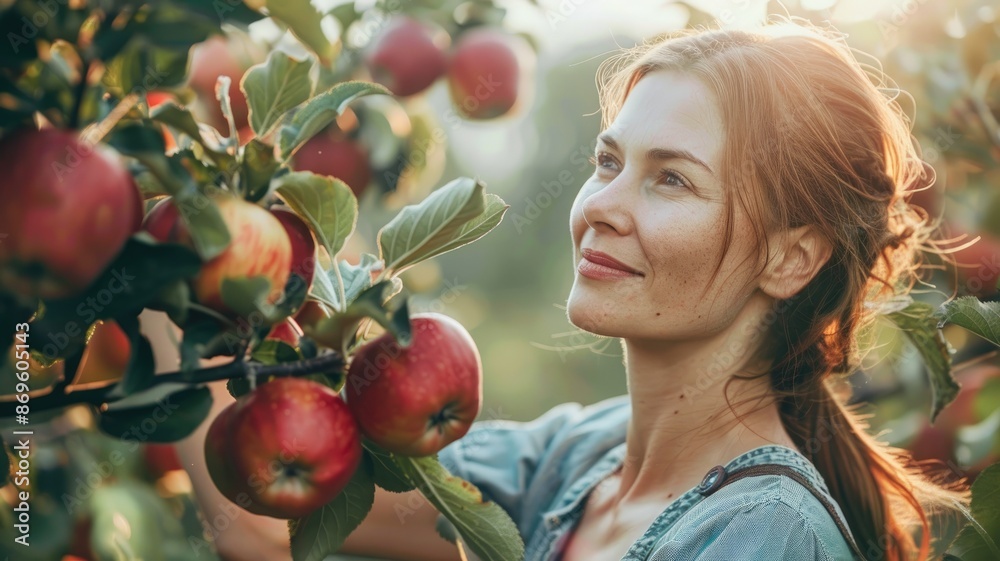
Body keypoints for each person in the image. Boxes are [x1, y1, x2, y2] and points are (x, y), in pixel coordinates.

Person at [163, 17, 971, 561]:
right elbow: (267, 514)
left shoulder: (764, 533)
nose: (602, 210)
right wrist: (170, 243)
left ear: (791, 259)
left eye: (673, 181)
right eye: (610, 162)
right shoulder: (580, 457)